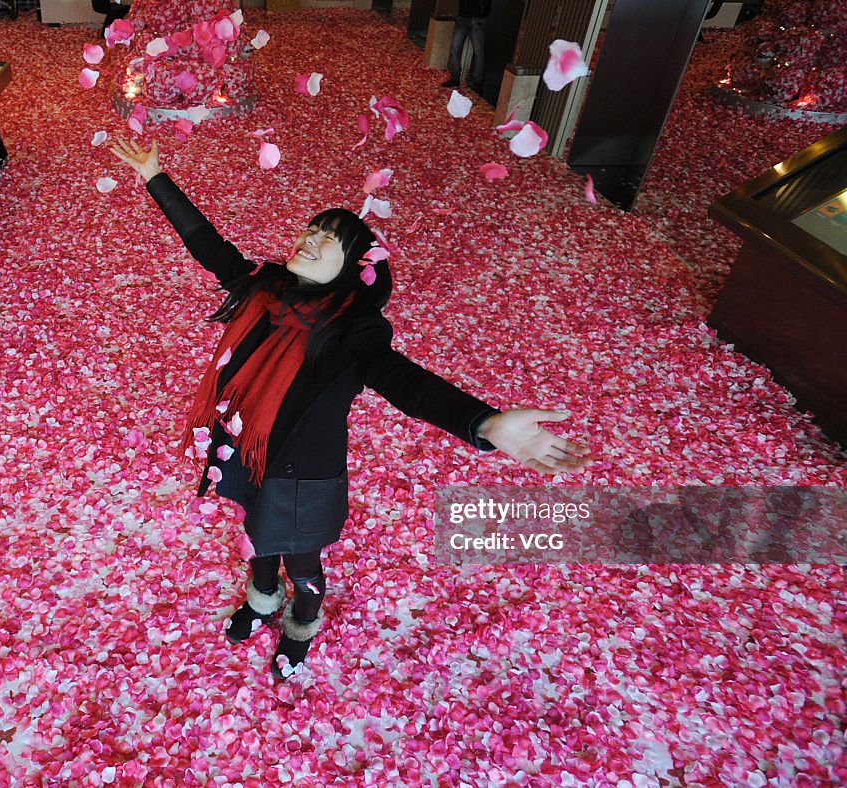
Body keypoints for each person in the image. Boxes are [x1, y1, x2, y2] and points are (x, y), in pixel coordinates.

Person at [110, 139, 590, 680]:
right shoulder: (264, 289)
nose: (308, 241)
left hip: (304, 476)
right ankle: (262, 598)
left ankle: (300, 624)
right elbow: (208, 245)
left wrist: (483, 422)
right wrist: (155, 176)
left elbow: (404, 381)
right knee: (256, 535)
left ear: (354, 267)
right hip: (249, 446)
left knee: (303, 561)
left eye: (327, 239)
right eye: (309, 231)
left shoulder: (353, 330)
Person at [441, 0, 492, 93]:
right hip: (466, 17)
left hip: (477, 18)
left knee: (477, 52)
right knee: (456, 48)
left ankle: (476, 81)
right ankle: (458, 77)